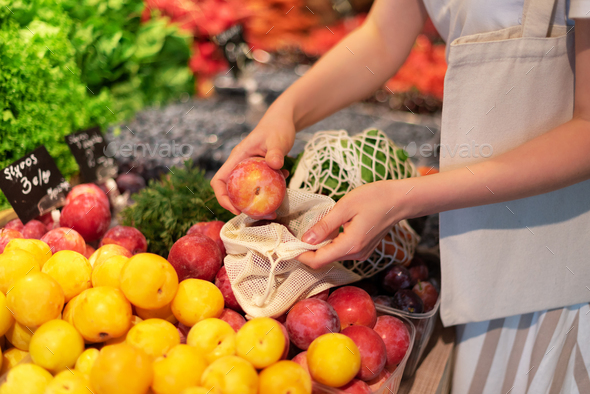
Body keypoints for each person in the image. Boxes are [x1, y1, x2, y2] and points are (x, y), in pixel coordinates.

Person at [212, 0, 590, 392]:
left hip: (555, 264)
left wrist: (407, 197)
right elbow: (381, 37)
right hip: (474, 247)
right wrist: (285, 112)